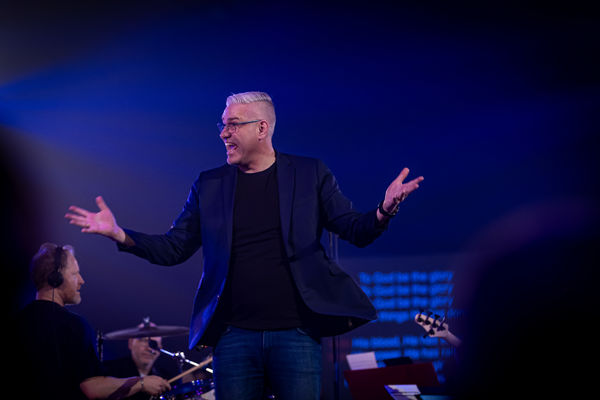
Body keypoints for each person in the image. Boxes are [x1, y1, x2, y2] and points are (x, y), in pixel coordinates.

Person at [65, 91, 424, 400]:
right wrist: (119, 234)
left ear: (262, 128)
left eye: (233, 124)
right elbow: (174, 248)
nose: (224, 133)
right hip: (233, 336)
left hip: (296, 333)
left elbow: (355, 230)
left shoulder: (309, 173)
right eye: (223, 125)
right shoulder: (210, 184)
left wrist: (385, 208)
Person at [15, 242, 171, 400]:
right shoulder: (74, 325)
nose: (81, 281)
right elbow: (92, 388)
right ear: (56, 278)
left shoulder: (18, 321)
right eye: (75, 274)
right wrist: (141, 383)